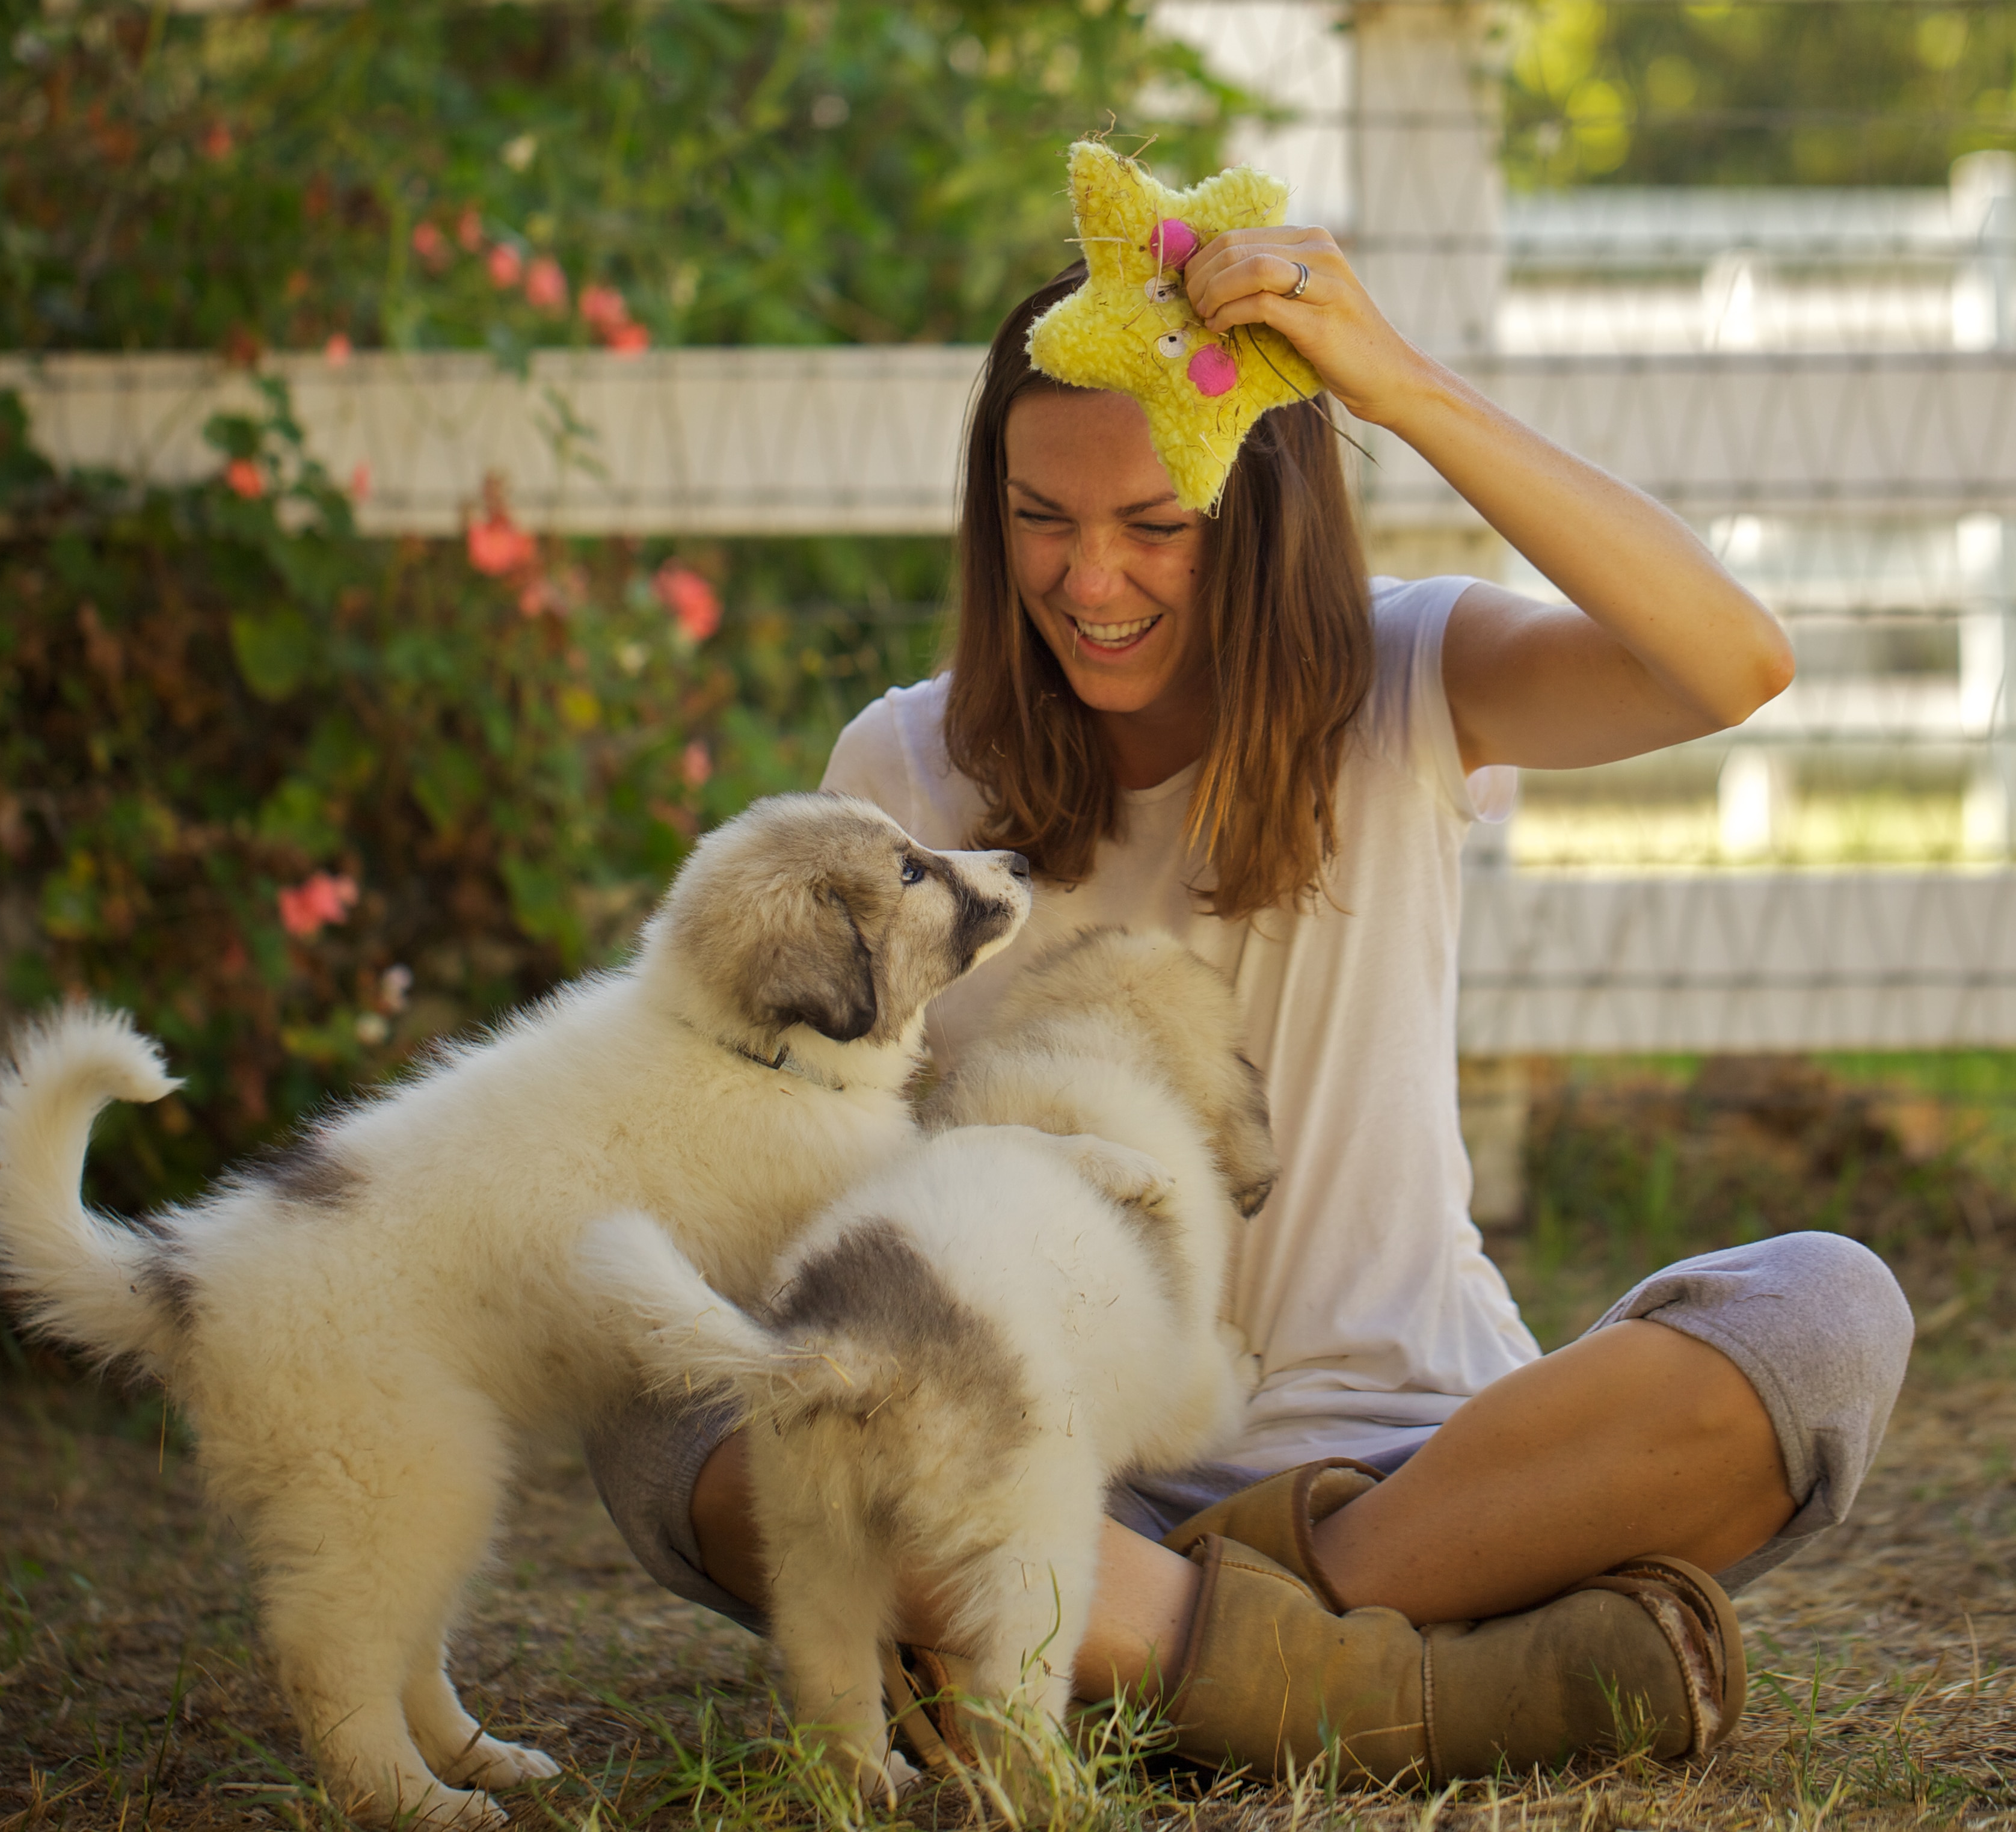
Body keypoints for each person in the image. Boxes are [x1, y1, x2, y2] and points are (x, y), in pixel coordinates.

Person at [587, 223, 1916, 1778]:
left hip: (1428, 1472)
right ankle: (1361, 1694)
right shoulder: (903, 768)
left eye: (1158, 523)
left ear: (1266, 517)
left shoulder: (1407, 677)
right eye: (1042, 520)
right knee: (652, 1392)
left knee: (1828, 1316)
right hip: (1042, 1469)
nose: (1091, 581)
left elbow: (1732, 662)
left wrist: (1399, 385)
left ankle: (1150, 1653)